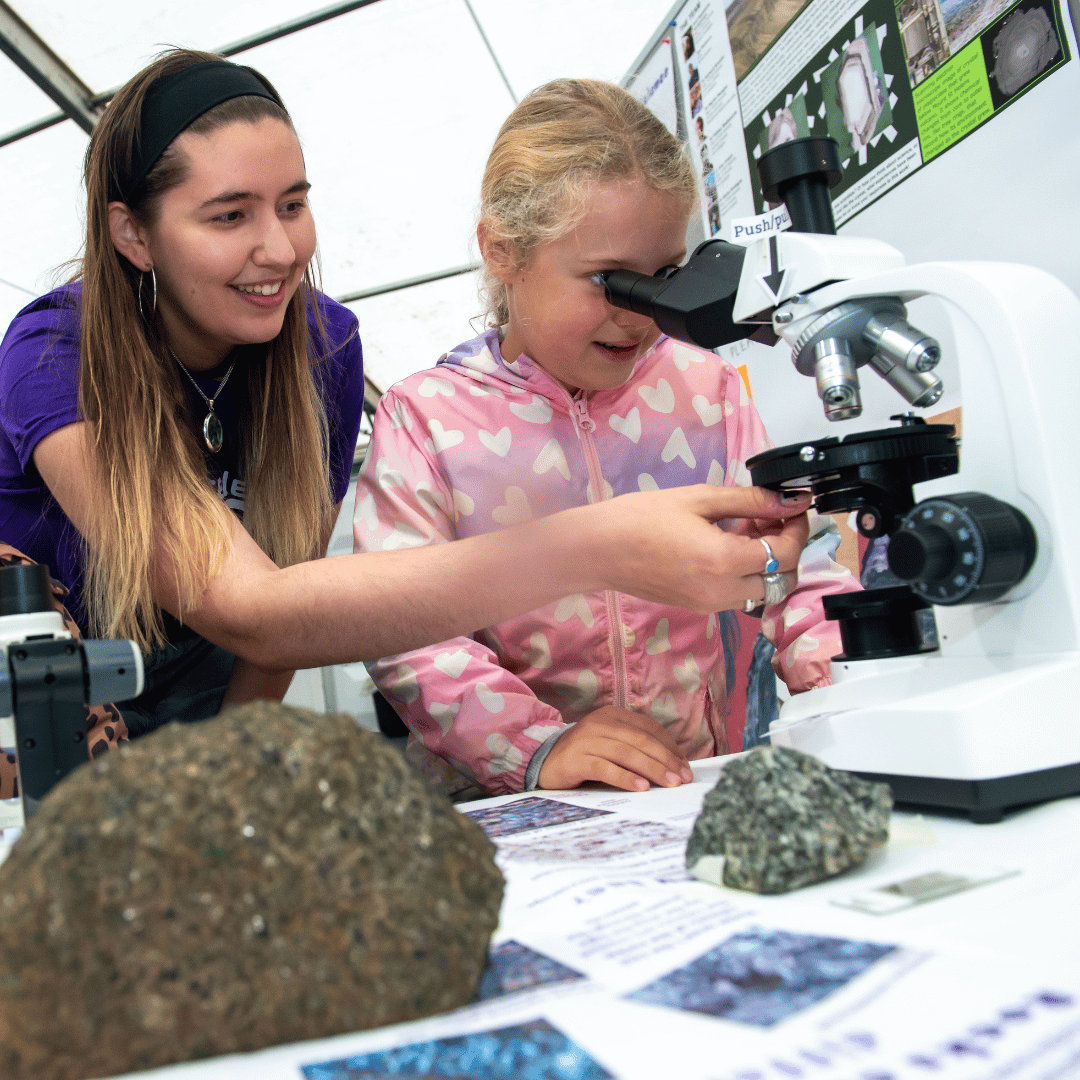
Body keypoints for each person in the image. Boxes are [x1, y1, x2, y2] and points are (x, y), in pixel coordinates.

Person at [0, 53, 814, 769]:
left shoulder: (316, 349)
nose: (281, 250)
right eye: (229, 215)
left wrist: (219, 773)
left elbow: (303, 600)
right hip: (42, 714)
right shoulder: (54, 358)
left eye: (292, 204)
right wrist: (596, 548)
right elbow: (254, 610)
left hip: (203, 698)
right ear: (134, 235)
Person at [352, 79, 858, 802]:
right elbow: (401, 626)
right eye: (610, 281)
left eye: (666, 277)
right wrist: (537, 746)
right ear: (504, 251)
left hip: (685, 788)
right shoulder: (426, 418)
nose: (642, 312)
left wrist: (843, 677)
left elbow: (792, 563)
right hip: (506, 805)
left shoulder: (706, 392)